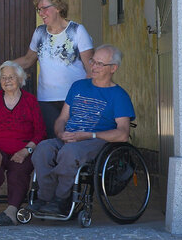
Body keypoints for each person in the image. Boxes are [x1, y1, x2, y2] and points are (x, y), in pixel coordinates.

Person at [28, 45, 135, 216]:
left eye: (100, 64)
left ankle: (61, 199)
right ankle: (45, 198)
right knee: (42, 149)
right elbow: (62, 118)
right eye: (93, 61)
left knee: (69, 152)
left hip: (95, 141)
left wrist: (89, 135)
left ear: (113, 68)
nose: (93, 66)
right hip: (69, 137)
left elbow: (123, 133)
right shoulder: (78, 86)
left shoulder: (119, 95)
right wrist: (60, 133)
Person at [0, 0, 94, 139]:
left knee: (73, 141)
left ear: (58, 7)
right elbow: (28, 59)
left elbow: (91, 69)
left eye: (44, 8)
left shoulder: (77, 31)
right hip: (46, 99)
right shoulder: (40, 32)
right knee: (51, 140)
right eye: (39, 9)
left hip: (75, 98)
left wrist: (90, 97)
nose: (41, 13)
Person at [0, 61, 46, 226]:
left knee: (19, 171)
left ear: (20, 79)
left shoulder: (30, 101)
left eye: (11, 77)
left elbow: (40, 132)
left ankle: (11, 212)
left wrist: (26, 151)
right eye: (3, 77)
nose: (7, 80)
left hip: (22, 150)